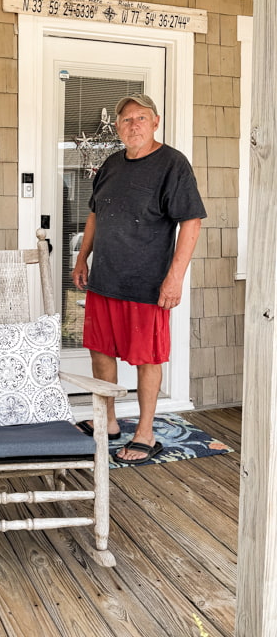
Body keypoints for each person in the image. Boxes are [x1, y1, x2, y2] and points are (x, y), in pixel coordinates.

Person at [72, 94, 206, 464]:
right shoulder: (112, 164)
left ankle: (145, 431)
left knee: (147, 357)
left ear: (156, 122)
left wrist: (175, 278)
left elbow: (190, 222)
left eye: (141, 118)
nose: (134, 125)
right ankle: (109, 421)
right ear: (117, 127)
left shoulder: (172, 164)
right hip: (104, 280)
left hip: (148, 284)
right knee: (100, 351)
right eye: (127, 119)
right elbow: (96, 215)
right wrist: (82, 257)